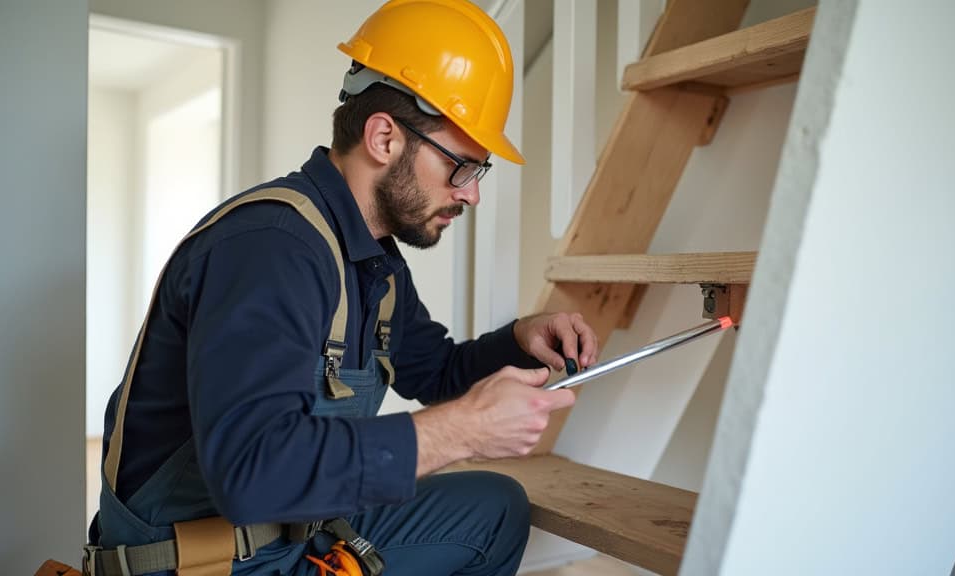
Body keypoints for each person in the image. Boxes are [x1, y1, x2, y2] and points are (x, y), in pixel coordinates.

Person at [85, 1, 599, 575]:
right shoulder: (269, 248)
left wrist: (521, 341)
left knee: (494, 509)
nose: (471, 193)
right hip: (204, 559)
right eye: (462, 166)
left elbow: (436, 372)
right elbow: (251, 474)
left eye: (479, 172)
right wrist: (463, 430)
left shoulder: (373, 261)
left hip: (289, 535)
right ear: (384, 138)